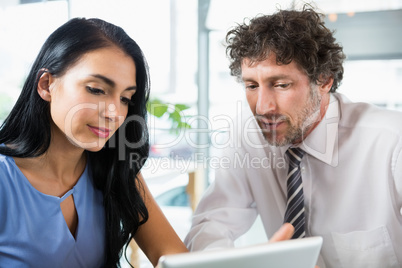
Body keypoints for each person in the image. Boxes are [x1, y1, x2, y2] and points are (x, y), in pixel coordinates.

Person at [184, 5, 402, 268]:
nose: (263, 107)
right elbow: (211, 225)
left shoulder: (392, 143)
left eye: (281, 85)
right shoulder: (248, 137)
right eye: (252, 86)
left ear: (324, 80)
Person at [0, 18, 191, 267]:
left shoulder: (115, 170)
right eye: (96, 90)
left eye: (125, 98)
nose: (114, 113)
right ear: (47, 85)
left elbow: (175, 257)